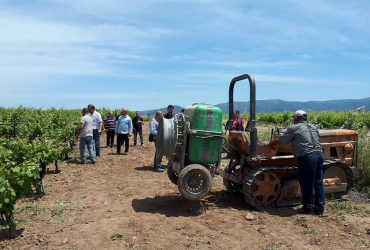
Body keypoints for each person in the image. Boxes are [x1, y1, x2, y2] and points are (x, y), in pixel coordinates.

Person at [270, 110, 324, 215]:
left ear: (296, 118)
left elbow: (283, 141)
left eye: (293, 118)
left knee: (306, 183)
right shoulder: (313, 127)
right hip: (319, 155)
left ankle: (307, 207)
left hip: (308, 157)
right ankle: (319, 208)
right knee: (318, 183)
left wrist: (271, 143)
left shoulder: (294, 127)